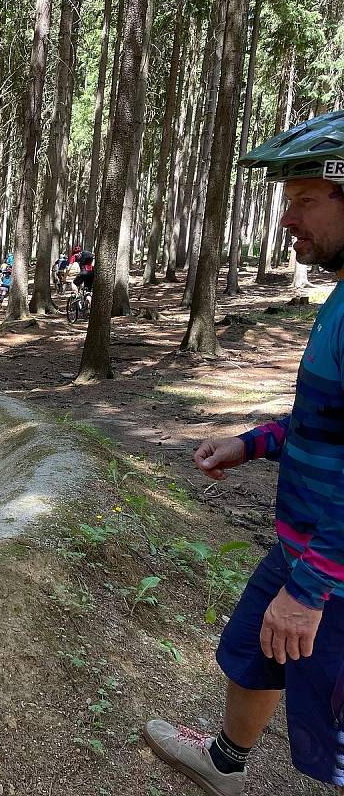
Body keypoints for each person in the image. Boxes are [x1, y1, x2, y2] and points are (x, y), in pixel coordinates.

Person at [144, 110, 344, 796]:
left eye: (304, 202)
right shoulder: (341, 299)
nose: (289, 220)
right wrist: (250, 444)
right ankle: (226, 763)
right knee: (253, 650)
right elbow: (326, 423)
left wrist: (312, 590)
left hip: (332, 568)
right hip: (305, 543)